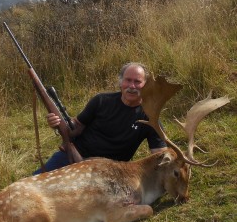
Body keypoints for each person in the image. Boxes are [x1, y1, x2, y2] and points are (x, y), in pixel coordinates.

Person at [33, 62, 167, 175]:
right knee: (31, 184)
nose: (132, 86)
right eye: (128, 80)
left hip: (106, 172)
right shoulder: (101, 100)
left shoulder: (150, 117)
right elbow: (76, 127)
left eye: (137, 82)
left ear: (145, 85)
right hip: (73, 156)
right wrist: (59, 123)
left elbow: (160, 156)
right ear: (121, 82)